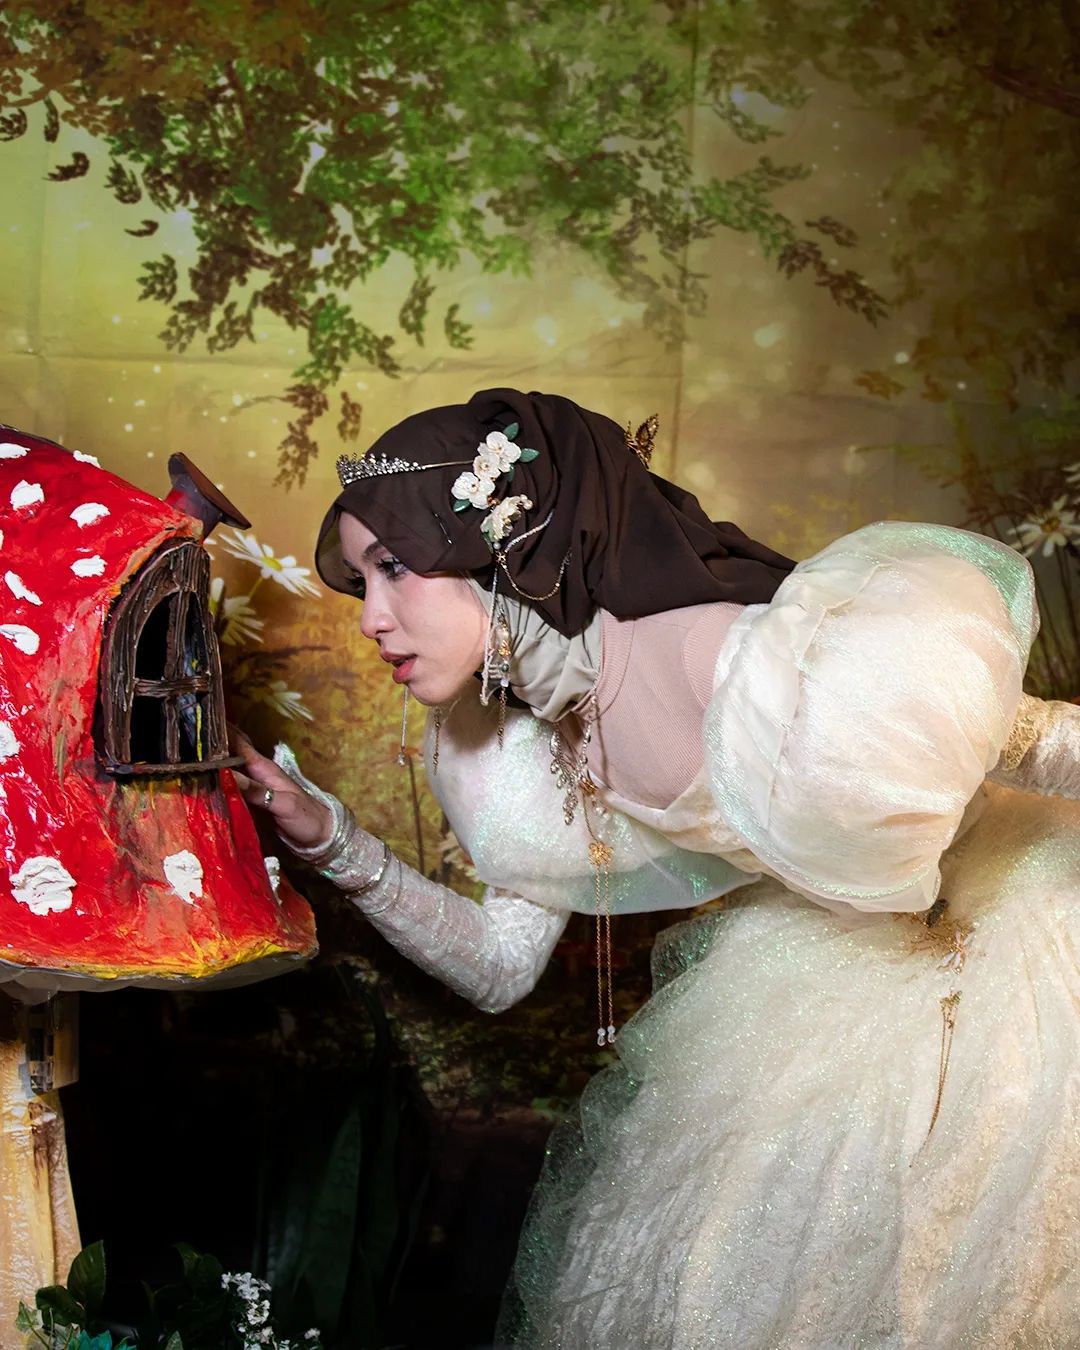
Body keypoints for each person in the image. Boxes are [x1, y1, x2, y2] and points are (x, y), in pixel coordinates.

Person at [236, 388, 1080, 1349]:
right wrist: (332, 840)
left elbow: (1040, 746)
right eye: (361, 581)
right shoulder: (511, 744)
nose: (370, 619)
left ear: (497, 547)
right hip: (844, 970)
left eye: (393, 568)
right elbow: (500, 967)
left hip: (1012, 939)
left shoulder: (700, 649)